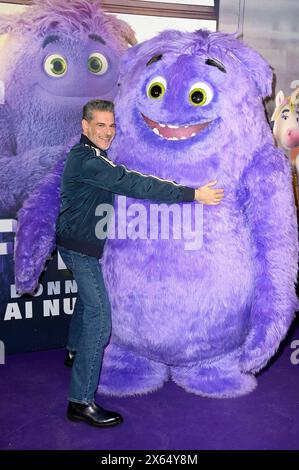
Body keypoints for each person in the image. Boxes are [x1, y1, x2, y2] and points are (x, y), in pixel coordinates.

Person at [56, 99, 224, 428]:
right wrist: (193, 195)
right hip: (79, 248)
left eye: (110, 125)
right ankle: (80, 402)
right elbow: (135, 183)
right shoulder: (90, 161)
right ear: (84, 127)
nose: (107, 132)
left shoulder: (91, 156)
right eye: (99, 125)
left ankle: (74, 350)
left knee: (86, 303)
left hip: (79, 243)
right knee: (100, 320)